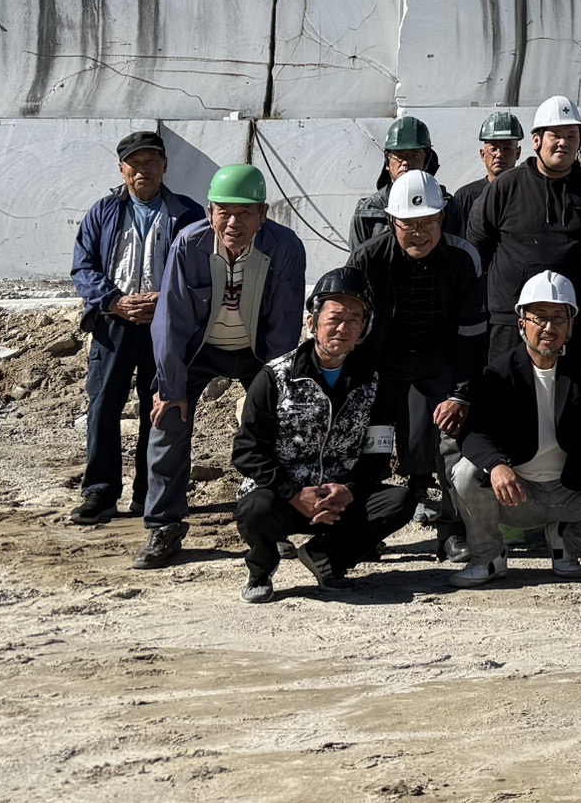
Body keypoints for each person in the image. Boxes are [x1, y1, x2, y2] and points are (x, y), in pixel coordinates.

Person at [135, 164, 307, 571]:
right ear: (210, 212)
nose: (233, 222)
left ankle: (274, 521)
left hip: (257, 351)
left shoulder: (285, 248)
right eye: (224, 212)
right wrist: (170, 386)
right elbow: (171, 322)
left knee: (277, 426)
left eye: (245, 213)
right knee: (168, 419)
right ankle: (165, 525)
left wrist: (276, 388)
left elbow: (284, 324)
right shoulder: (188, 245)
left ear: (263, 215)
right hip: (201, 350)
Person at [450, 272, 581, 587]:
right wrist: (497, 465)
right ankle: (488, 557)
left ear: (570, 327)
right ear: (521, 324)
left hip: (572, 492)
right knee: (464, 473)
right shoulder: (499, 373)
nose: (548, 327)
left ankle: (565, 542)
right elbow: (473, 433)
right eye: (539, 317)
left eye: (559, 318)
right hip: (520, 494)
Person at [231, 268, 414, 602]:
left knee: (399, 501)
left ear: (364, 330)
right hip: (284, 497)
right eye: (334, 318)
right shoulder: (275, 377)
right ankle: (261, 568)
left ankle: (326, 557)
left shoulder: (374, 382)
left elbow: (378, 452)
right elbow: (247, 450)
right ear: (312, 323)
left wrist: (349, 489)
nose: (342, 328)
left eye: (353, 320)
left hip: (339, 499)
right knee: (255, 508)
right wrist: (293, 493)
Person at [68, 131, 203, 526]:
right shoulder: (103, 212)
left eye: (151, 162)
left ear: (164, 166)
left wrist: (166, 300)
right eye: (135, 163)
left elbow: (200, 269)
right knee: (103, 404)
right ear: (122, 169)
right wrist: (114, 300)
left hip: (166, 326)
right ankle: (100, 493)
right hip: (114, 323)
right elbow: (83, 266)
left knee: (158, 408)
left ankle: (149, 495)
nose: (142, 170)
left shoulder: (188, 213)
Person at [350, 172, 486, 553]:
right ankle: (364, 531)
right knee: (370, 446)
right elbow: (351, 330)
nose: (419, 233)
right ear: (393, 221)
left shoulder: (462, 258)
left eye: (428, 222)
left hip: (439, 360)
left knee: (454, 442)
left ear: (442, 219)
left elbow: (473, 337)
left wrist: (460, 396)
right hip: (382, 362)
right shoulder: (367, 258)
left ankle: (455, 529)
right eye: (409, 224)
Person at [473, 96, 581, 370]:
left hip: (570, 321)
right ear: (536, 140)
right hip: (512, 321)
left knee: (571, 403)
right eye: (555, 135)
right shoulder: (505, 187)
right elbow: (478, 246)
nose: (564, 142)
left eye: (572, 135)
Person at [348, 116, 437, 255]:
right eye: (399, 155)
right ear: (387, 162)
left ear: (426, 161)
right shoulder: (368, 210)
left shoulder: (445, 205)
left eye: (414, 155)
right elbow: (358, 262)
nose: (406, 162)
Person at [446, 110, 523, 243]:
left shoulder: (528, 192)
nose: (499, 154)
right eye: (493, 149)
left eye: (507, 148)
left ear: (518, 153)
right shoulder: (465, 196)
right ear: (482, 154)